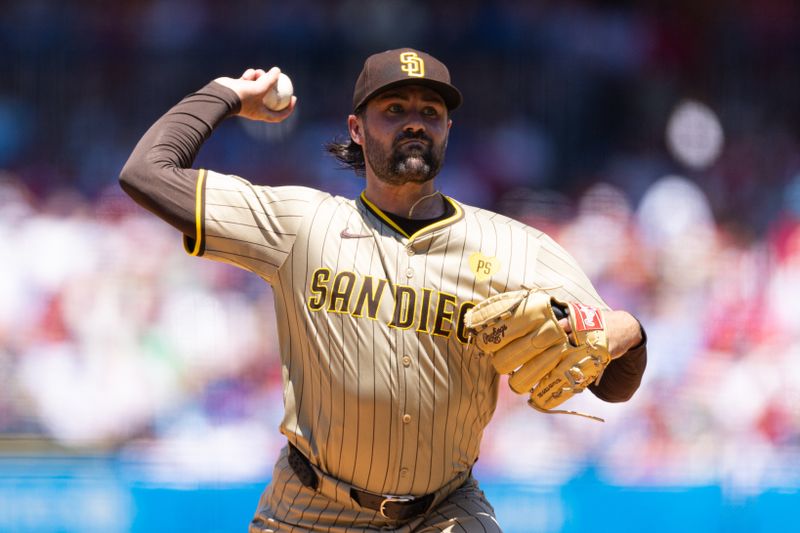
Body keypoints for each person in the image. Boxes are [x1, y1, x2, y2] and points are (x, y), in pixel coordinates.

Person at [120, 48, 647, 532]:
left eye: (431, 113)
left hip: (445, 512)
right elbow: (146, 173)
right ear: (355, 128)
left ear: (447, 130)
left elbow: (614, 383)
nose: (416, 121)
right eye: (394, 109)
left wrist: (627, 329)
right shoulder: (300, 225)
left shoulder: (515, 248)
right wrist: (227, 94)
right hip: (308, 509)